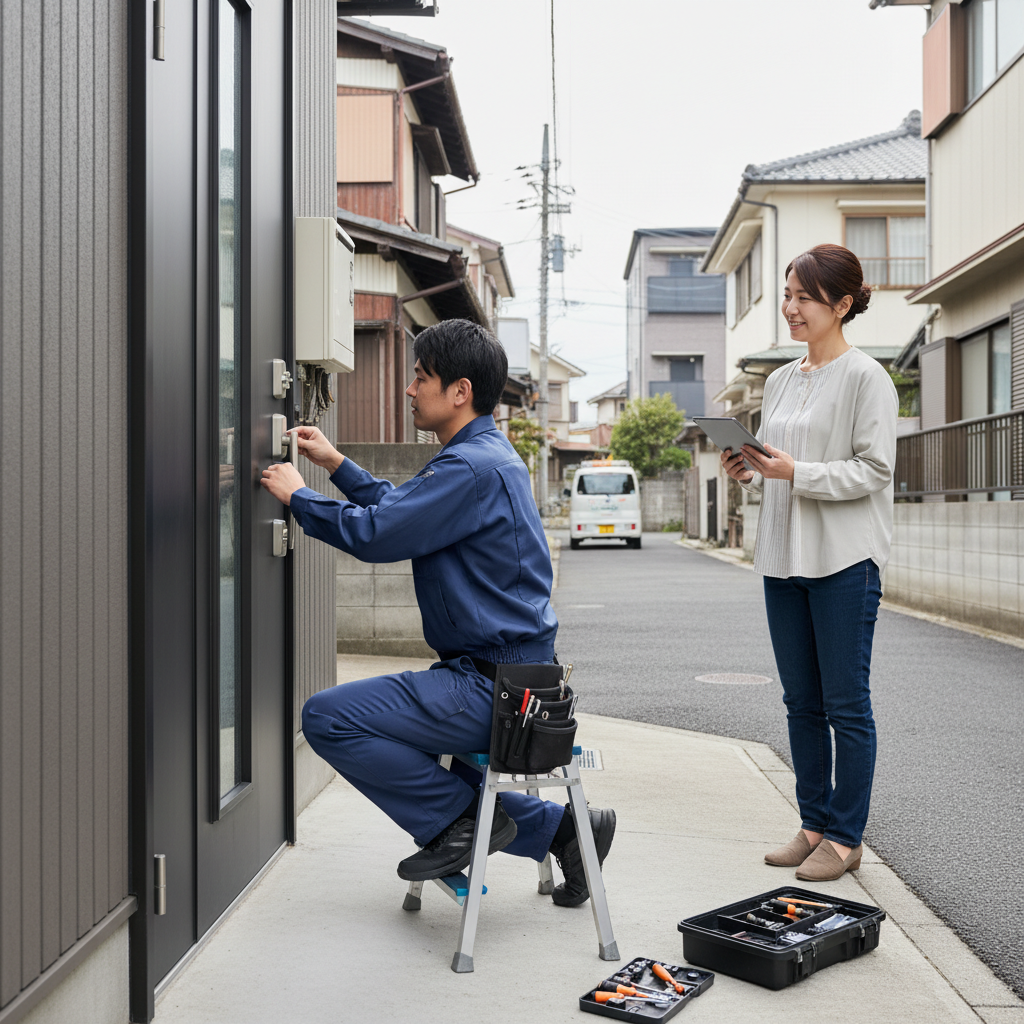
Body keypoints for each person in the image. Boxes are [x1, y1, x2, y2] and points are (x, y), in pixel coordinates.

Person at [260, 318, 615, 905]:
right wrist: (335, 463)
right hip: (510, 681)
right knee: (392, 738)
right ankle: (564, 831)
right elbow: (402, 508)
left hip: (494, 689)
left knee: (329, 718)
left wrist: (300, 496)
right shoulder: (479, 457)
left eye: (420, 377)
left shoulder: (470, 467)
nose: (409, 390)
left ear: (460, 391)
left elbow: (378, 533)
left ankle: (461, 822)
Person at [721, 244, 897, 883]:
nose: (790, 307)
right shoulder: (779, 380)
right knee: (801, 702)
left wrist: (796, 471)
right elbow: (776, 469)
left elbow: (876, 471)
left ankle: (846, 838)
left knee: (846, 703)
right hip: (783, 557)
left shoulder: (865, 377)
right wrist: (749, 470)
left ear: (842, 304)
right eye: (788, 294)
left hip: (845, 560)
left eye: (803, 297)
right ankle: (813, 824)